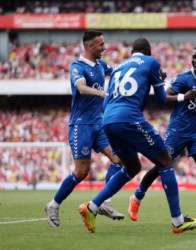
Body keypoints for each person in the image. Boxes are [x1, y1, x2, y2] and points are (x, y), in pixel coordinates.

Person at [77, 38, 196, 234]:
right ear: (148, 51)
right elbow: (161, 100)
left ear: (132, 53)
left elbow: (105, 104)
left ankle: (92, 207)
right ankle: (178, 221)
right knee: (165, 161)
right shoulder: (151, 62)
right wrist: (163, 83)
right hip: (129, 118)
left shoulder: (118, 68)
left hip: (108, 120)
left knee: (133, 167)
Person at [128, 45, 196, 226]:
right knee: (161, 166)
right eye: (194, 58)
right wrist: (183, 96)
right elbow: (163, 98)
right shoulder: (183, 78)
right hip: (177, 131)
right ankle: (137, 196)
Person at [44, 30, 125, 228]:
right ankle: (53, 204)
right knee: (81, 172)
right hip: (81, 125)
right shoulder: (77, 67)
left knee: (119, 159)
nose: (104, 48)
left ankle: (105, 202)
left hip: (99, 123)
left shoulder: (100, 65)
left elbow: (118, 71)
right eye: (101, 44)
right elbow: (80, 88)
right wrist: (103, 93)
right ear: (89, 46)